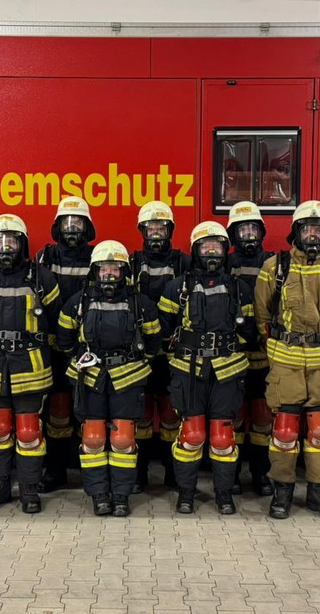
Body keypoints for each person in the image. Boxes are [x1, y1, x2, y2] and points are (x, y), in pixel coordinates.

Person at [254, 201, 320, 520]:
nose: (312, 235)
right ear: (295, 232)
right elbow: (262, 312)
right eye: (306, 229)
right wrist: (277, 343)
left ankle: (318, 492)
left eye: (319, 229)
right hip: (285, 359)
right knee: (284, 429)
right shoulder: (275, 267)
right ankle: (282, 492)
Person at [0, 214, 62, 514]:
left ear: (23, 243)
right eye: (0, 242)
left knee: (30, 431)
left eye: (12, 241)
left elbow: (56, 321)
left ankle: (29, 489)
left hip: (30, 367)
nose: (6, 248)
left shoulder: (42, 277)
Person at [56, 240, 164, 517]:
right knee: (92, 439)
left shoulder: (141, 304)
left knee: (123, 440)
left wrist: (130, 363)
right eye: (103, 269)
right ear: (94, 272)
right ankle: (99, 495)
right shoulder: (78, 302)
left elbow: (154, 343)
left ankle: (121, 495)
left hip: (127, 379)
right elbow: (65, 340)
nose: (109, 275)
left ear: (125, 272)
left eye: (115, 269)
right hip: (90, 377)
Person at [158, 221, 255, 515]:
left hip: (227, 371)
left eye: (217, 246)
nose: (211, 252)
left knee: (223, 437)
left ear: (226, 250)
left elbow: (249, 331)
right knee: (192, 434)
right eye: (205, 246)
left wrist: (225, 347)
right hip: (188, 371)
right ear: (195, 251)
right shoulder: (177, 288)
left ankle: (224, 494)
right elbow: (163, 331)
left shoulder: (240, 289)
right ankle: (186, 493)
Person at [36, 196, 97, 492]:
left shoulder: (99, 257)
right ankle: (56, 469)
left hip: (89, 349)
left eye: (78, 223)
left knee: (88, 410)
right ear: (57, 227)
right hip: (53, 348)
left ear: (88, 229)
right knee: (58, 410)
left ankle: (88, 469)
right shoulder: (44, 257)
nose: (72, 229)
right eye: (67, 223)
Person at [129, 201, 190, 493]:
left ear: (170, 230)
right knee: (139, 413)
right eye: (151, 227)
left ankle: (172, 471)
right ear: (142, 230)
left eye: (161, 227)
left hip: (173, 353)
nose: (156, 233)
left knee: (169, 414)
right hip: (139, 353)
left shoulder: (185, 263)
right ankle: (138, 473)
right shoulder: (129, 262)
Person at [226, 201, 275, 496]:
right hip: (232, 354)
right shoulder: (224, 262)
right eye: (242, 229)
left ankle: (261, 475)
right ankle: (230, 474)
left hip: (265, 351)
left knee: (261, 417)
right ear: (233, 234)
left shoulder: (274, 263)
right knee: (233, 416)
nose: (248, 235)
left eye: (253, 228)